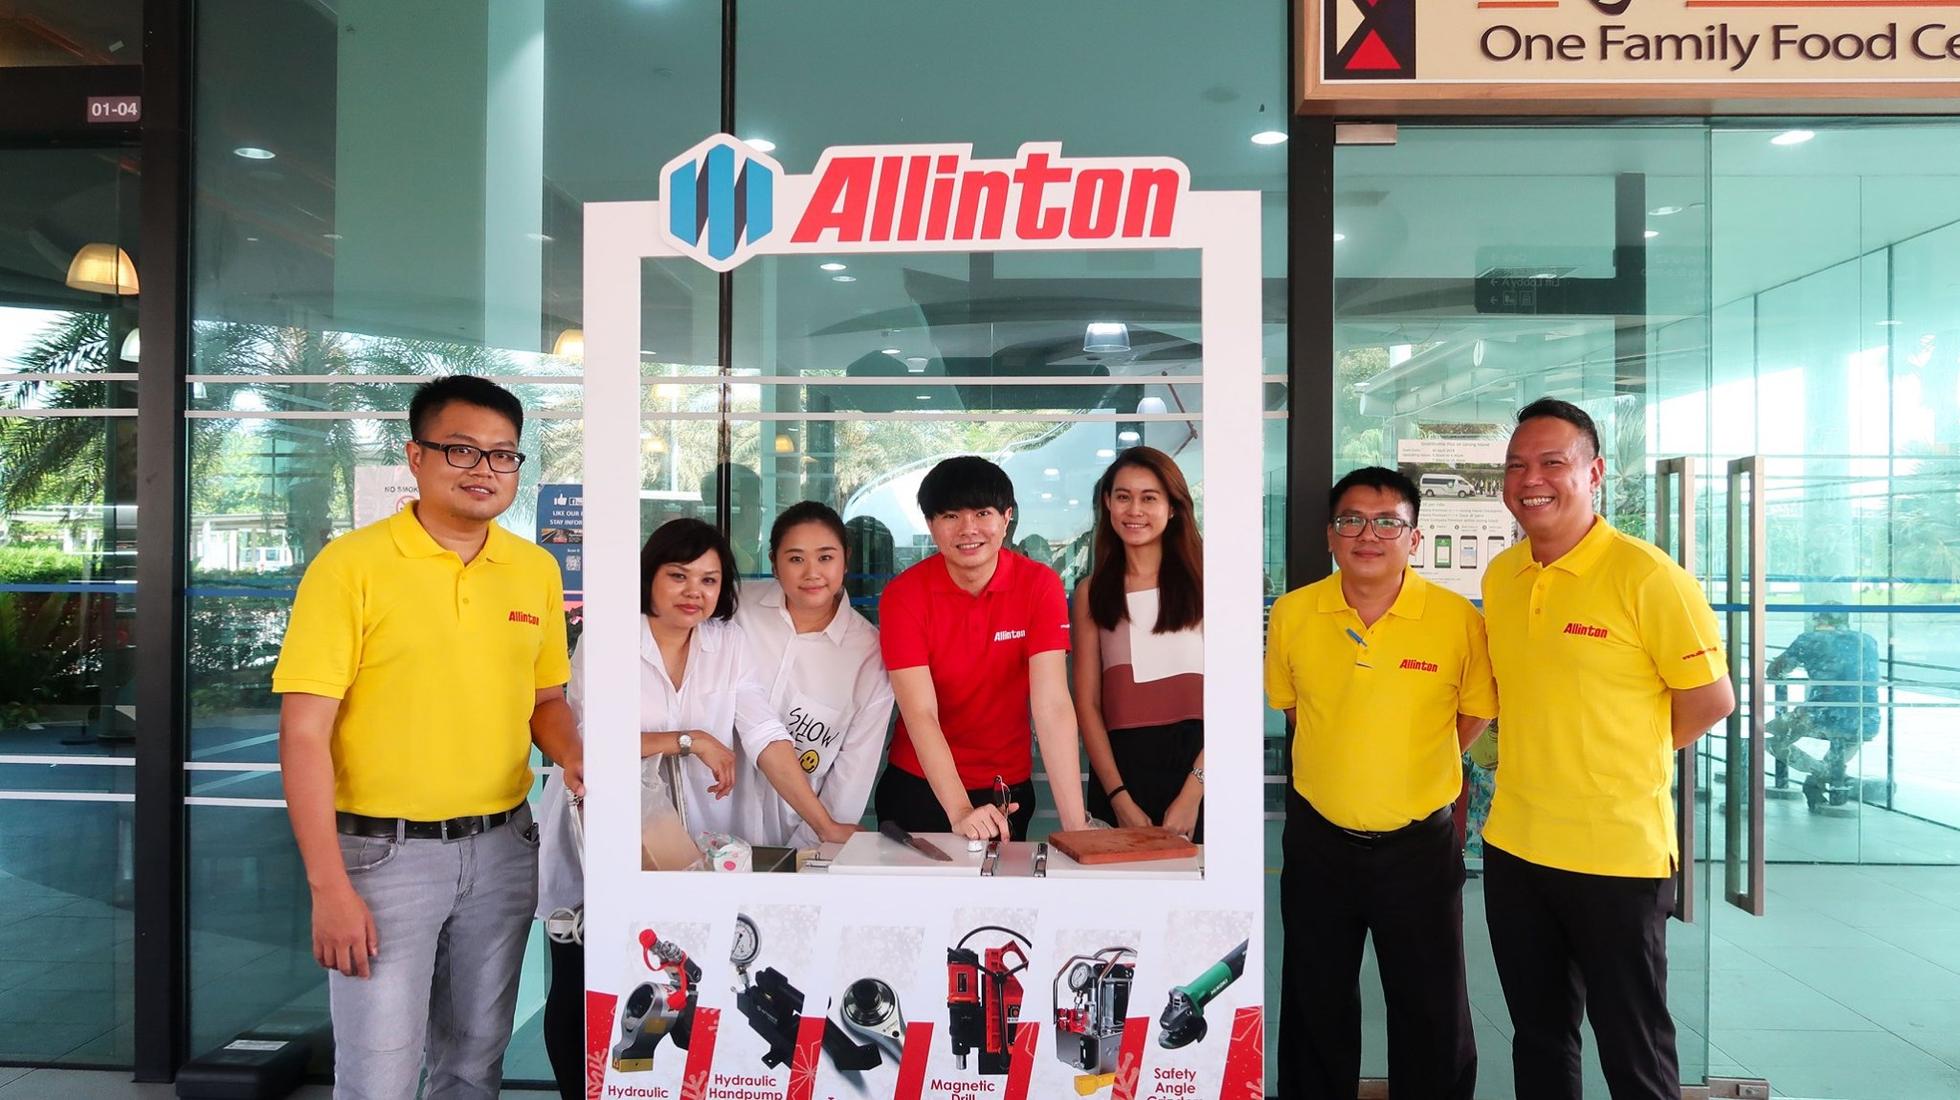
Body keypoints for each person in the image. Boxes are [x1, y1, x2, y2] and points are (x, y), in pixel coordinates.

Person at [273, 374, 582, 1099]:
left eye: (503, 455)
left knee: (474, 1064)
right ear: (415, 455)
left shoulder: (533, 570)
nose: (484, 469)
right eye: (461, 450)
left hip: (503, 848)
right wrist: (328, 887)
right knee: (378, 1076)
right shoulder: (351, 566)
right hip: (383, 858)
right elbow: (303, 735)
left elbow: (545, 700)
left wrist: (574, 755)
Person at [534, 518, 858, 1098]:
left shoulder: (726, 642)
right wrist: (689, 740)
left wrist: (825, 824)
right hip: (601, 828)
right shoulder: (609, 638)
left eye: (709, 580)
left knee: (674, 976)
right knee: (582, 974)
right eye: (678, 576)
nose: (694, 592)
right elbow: (588, 742)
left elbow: (763, 732)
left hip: (685, 838)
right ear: (650, 578)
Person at [1482, 397, 1735, 1100]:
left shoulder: (1647, 576)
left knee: (1634, 1048)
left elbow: (1711, 699)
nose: (1531, 479)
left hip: (1616, 855)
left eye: (1552, 462)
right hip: (1516, 847)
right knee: (1540, 1038)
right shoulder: (1502, 577)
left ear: (1594, 472)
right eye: (1517, 465)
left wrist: (1620, 760)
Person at [1266, 466, 1495, 1100]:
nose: (1369, 535)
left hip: (1420, 846)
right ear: (1329, 535)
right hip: (1318, 842)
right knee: (1315, 1005)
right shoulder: (1293, 613)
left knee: (1432, 1011)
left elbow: (1475, 711)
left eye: (1388, 522)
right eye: (1351, 521)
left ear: (1415, 538)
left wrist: (1409, 762)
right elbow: (1296, 710)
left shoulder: (1456, 619)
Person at [874, 455, 1088, 840]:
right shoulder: (903, 596)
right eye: (951, 516)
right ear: (931, 525)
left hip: (1005, 787)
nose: (968, 529)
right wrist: (960, 810)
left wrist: (1076, 828)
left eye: (982, 513)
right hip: (919, 786)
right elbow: (920, 712)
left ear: (1006, 519)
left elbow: (1052, 706)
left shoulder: (1039, 586)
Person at [732, 501, 896, 847]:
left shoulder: (869, 656)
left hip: (800, 838)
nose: (812, 573)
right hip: (709, 825)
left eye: (825, 557)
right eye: (795, 559)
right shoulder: (736, 609)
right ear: (774, 562)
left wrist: (804, 858)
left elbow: (851, 777)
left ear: (845, 559)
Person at [1071, 447, 1206, 839]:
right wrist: (1119, 798)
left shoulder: (1208, 585)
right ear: (1107, 503)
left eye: (1149, 498)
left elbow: (1233, 698)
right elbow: (1087, 704)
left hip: (1201, 775)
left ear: (1173, 507)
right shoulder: (1092, 593)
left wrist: (1194, 793)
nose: (1134, 510)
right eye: (1123, 496)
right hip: (1120, 777)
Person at [1766, 606, 1882, 811]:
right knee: (1847, 742)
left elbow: (1775, 670)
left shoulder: (1809, 640)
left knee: (1765, 735)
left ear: (1819, 620)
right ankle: (1831, 778)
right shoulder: (1868, 640)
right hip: (1866, 718)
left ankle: (1821, 774)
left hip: (1821, 714)